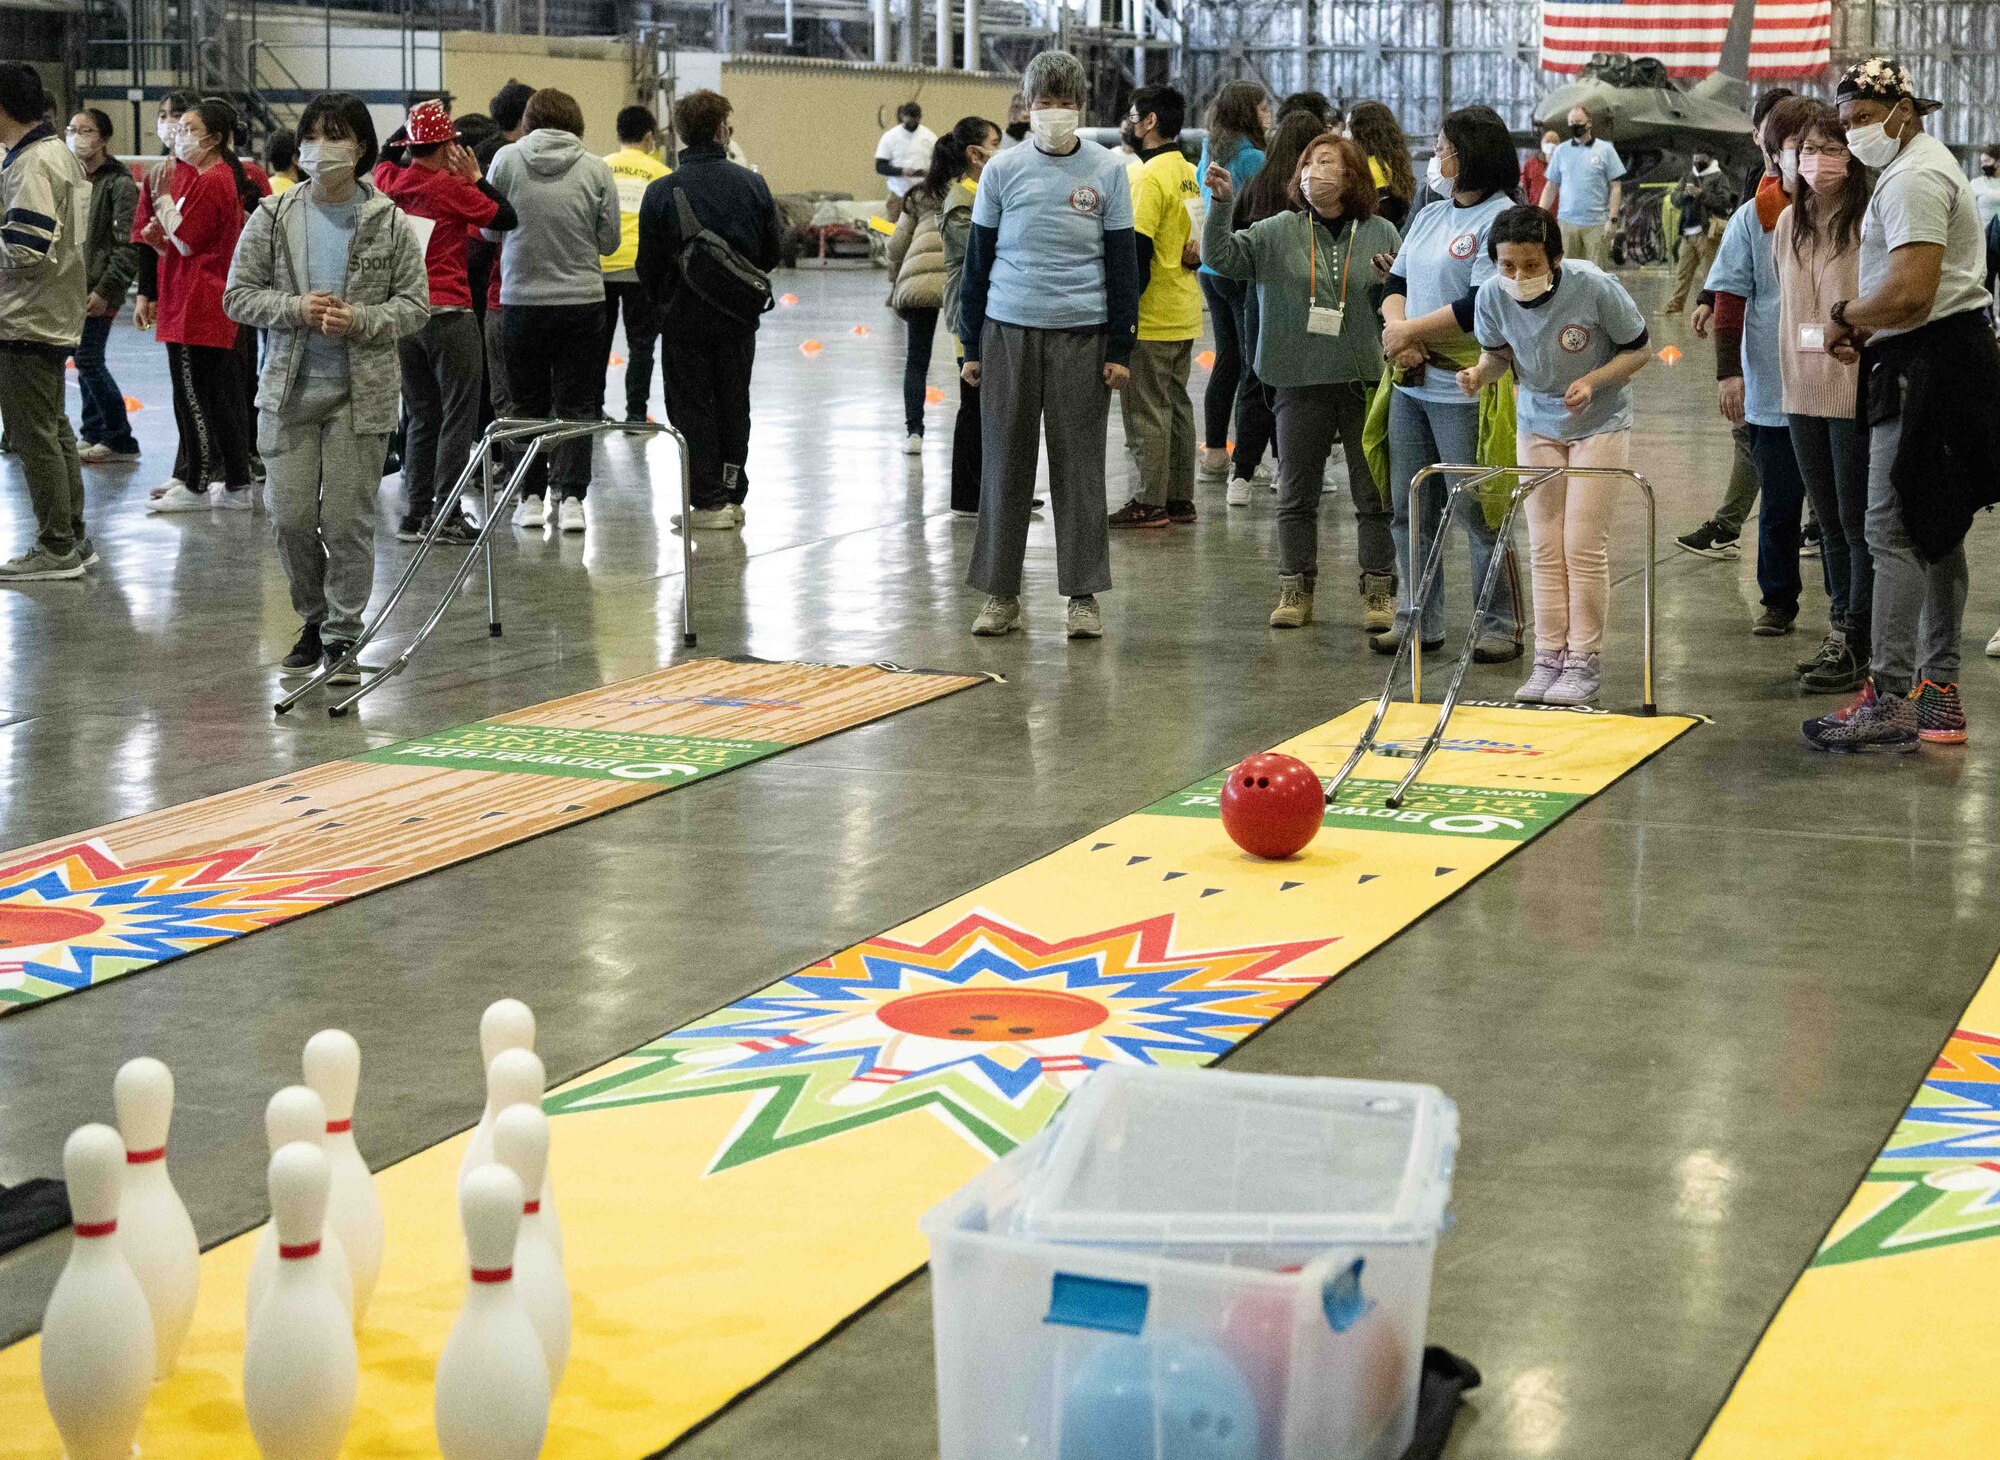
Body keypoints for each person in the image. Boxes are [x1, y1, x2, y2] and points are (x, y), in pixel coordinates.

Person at [1806, 58, 2000, 752]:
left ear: (1904, 111)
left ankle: (1889, 696)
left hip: (1931, 361)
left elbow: (1914, 291)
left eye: (1862, 120)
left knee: (1891, 530)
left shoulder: (1915, 175)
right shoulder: (1922, 166)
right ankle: (1938, 692)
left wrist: (1846, 313)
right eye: (1847, 123)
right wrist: (1870, 323)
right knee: (1937, 525)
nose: (1855, 135)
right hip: (1939, 355)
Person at [224, 91, 427, 681]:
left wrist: (361, 319)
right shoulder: (273, 215)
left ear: (360, 146)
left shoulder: (389, 222)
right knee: (288, 517)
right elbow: (237, 296)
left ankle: (342, 635)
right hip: (288, 393)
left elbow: (415, 306)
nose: (320, 147)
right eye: (311, 135)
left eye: (334, 135)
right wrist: (293, 307)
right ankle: (312, 618)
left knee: (347, 522)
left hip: (360, 397)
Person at [958, 48, 1138, 640]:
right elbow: (977, 262)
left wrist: (1120, 346)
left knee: (1079, 467)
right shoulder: (1002, 171)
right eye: (1044, 102)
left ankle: (1082, 596)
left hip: (1083, 335)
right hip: (1007, 330)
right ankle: (1000, 595)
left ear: (1079, 108)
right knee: (1006, 461)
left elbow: (1122, 263)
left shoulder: (1108, 168)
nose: (1054, 111)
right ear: (1027, 107)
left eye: (1065, 102)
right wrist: (970, 344)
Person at [1203, 134, 1401, 628]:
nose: (1315, 171)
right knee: (1295, 493)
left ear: (1351, 175)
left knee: (1374, 492)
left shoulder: (1381, 232)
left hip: (1365, 380)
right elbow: (1222, 258)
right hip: (1296, 377)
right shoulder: (1276, 231)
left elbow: (1404, 300)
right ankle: (1295, 588)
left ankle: (1378, 590)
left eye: (1327, 162)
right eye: (1309, 162)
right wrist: (1221, 206)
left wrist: (1393, 284)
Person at [1461, 206, 1650, 705]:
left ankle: (1584, 661)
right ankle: (1548, 657)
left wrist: (1592, 380)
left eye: (1530, 265)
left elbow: (1639, 350)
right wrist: (1480, 375)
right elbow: (1498, 355)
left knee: (1581, 545)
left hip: (1599, 422)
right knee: (1545, 544)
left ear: (1556, 259)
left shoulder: (1593, 286)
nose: (1518, 277)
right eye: (1508, 266)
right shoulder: (1489, 297)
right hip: (1538, 423)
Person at [1375, 105, 1525, 658]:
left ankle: (1498, 624)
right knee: (1408, 504)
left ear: (1470, 156)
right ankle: (1417, 618)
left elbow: (1480, 303)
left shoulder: (1502, 220)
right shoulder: (1431, 214)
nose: (1436, 158)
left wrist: (1412, 329)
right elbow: (1397, 281)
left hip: (1464, 385)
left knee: (1479, 508)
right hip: (1411, 381)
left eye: (1444, 149)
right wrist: (1399, 333)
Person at [635, 88, 781, 532]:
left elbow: (647, 266)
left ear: (680, 134)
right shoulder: (753, 184)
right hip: (739, 319)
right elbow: (772, 251)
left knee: (692, 406)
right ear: (722, 130)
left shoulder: (662, 191)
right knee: (735, 402)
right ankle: (733, 491)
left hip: (683, 319)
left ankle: (708, 501)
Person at [376, 98, 517, 544]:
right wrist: (474, 176)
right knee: (458, 416)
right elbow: (506, 217)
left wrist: (408, 132)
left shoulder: (389, 181)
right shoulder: (450, 188)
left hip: (405, 317)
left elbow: (382, 156)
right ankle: (448, 513)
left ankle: (415, 517)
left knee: (420, 417)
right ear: (449, 146)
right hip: (450, 315)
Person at [486, 87, 619, 534]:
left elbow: (488, 230)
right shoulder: (597, 168)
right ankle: (574, 499)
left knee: (527, 402)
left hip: (522, 300)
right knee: (578, 403)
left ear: (528, 122)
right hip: (583, 302)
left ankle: (530, 497)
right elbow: (610, 242)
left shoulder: (505, 161)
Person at [1707, 95, 1816, 638]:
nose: (1803, 157)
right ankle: (1777, 599)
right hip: (1771, 384)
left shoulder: (1850, 211)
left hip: (1836, 384)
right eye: (1793, 147)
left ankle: (1850, 613)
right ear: (1774, 153)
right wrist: (1730, 374)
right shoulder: (1753, 217)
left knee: (1841, 513)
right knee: (1778, 505)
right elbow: (1730, 296)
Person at [1675, 87, 1797, 559]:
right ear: (1758, 135)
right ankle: (1731, 525)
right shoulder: (1755, 188)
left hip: (1809, 343)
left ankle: (1769, 525)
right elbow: (1737, 256)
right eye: (1772, 129)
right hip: (1761, 336)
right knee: (1750, 431)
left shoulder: (1826, 192)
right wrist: (1710, 296)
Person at [1774, 103, 1871, 693]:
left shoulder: (1868, 221)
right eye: (1808, 149)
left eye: (1832, 149)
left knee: (1858, 522)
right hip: (1798, 387)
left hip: (1853, 384)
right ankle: (1840, 628)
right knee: (1828, 522)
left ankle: (1861, 637)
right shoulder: (1788, 222)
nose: (1817, 160)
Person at [140, 97, 258, 513]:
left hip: (199, 304)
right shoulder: (215, 178)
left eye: (189, 128)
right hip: (192, 298)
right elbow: (184, 242)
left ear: (214, 138)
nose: (179, 134)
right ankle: (234, 483)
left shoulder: (213, 179)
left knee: (195, 397)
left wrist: (165, 203)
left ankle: (196, 482)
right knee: (215, 397)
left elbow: (189, 239)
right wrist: (163, 237)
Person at [0, 63, 92, 582]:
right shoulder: (57, 153)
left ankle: (55, 546)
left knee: (34, 435)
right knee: (54, 430)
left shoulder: (33, 164)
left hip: (25, 317)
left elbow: (26, 247)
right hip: (51, 312)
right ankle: (73, 536)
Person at [1218, 110, 1326, 509]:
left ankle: (1241, 474)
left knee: (1255, 378)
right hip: (1303, 297)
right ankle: (1288, 468)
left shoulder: (1257, 183)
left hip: (1256, 296)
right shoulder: (1310, 190)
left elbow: (1233, 243)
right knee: (1296, 382)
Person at [1109, 85, 1202, 529]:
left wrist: (1123, 315)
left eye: (1132, 114)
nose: (1128, 121)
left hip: (1152, 310)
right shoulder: (1188, 170)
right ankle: (1180, 498)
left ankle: (1148, 500)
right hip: (1184, 306)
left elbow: (1137, 251)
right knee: (1176, 407)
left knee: (1146, 410)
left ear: (1148, 122)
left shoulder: (1146, 176)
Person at [1194, 81, 1268, 484]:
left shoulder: (1211, 148)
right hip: (1237, 269)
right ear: (1247, 112)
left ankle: (1215, 455)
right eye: (1262, 107)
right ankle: (1247, 460)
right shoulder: (1254, 158)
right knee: (1249, 365)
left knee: (1226, 359)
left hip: (1211, 269)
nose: (1267, 114)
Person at [933, 116, 1002, 516]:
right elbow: (984, 252)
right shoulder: (961, 201)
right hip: (970, 315)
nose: (1001, 149)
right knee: (973, 407)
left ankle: (996, 488)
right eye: (995, 143)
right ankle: (967, 494)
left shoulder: (984, 194)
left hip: (993, 311)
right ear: (975, 155)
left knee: (993, 409)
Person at [68, 108, 143, 466]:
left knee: (88, 360)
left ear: (103, 138)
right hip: (75, 288)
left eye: (86, 130)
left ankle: (120, 437)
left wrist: (107, 290)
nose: (77, 135)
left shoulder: (119, 183)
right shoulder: (75, 177)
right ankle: (93, 430)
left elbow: (126, 245)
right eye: (73, 128)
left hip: (101, 289)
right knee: (82, 361)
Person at [471, 79, 535, 431]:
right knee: (510, 379)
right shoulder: (510, 158)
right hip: (499, 278)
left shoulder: (479, 151)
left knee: (487, 374)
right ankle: (512, 458)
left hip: (473, 272)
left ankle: (489, 450)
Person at [599, 104, 670, 424]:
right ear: (649, 137)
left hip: (601, 266)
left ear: (618, 135)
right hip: (642, 270)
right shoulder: (662, 174)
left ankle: (591, 410)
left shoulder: (599, 167)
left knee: (597, 345)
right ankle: (636, 415)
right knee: (641, 345)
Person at [887, 150, 948, 454]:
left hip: (919, 279)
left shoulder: (918, 195)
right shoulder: (978, 191)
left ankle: (914, 433)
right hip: (959, 280)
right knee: (972, 359)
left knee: (917, 359)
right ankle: (973, 433)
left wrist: (893, 278)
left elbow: (896, 243)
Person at [1540, 105, 1624, 269]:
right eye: (1571, 122)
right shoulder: (1561, 151)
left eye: (1578, 122)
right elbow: (1551, 186)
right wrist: (1539, 212)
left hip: (1597, 224)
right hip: (1567, 224)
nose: (1575, 126)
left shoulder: (1606, 150)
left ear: (1589, 123)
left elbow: (1616, 187)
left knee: (1596, 275)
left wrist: (1613, 219)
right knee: (1567, 273)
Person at [1665, 148, 1732, 314]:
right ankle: (1676, 305)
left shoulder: (1718, 176)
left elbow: (1724, 201)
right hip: (1688, 232)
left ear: (1709, 159)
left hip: (1707, 232)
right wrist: (1686, 195)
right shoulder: (1688, 175)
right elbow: (1675, 199)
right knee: (1682, 273)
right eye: (1696, 157)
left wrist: (1702, 194)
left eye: (1702, 157)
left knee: (1711, 272)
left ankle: (1717, 307)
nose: (1698, 160)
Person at [1345, 100, 1416, 229]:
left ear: (1362, 132)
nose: (1344, 134)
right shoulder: (1392, 163)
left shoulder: (1366, 169)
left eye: (1348, 128)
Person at [875, 101, 935, 224]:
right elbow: (880, 166)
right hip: (898, 192)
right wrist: (901, 171)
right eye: (909, 117)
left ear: (919, 117)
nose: (912, 121)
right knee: (893, 229)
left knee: (920, 230)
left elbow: (940, 163)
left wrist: (930, 172)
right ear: (902, 116)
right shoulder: (890, 136)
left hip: (922, 194)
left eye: (915, 118)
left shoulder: (929, 137)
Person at [1522, 128, 1559, 215]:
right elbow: (1524, 190)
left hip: (1558, 216)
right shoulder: (1531, 164)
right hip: (1535, 214)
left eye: (1554, 142)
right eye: (1548, 141)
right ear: (1542, 143)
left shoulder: (1563, 165)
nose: (1551, 144)